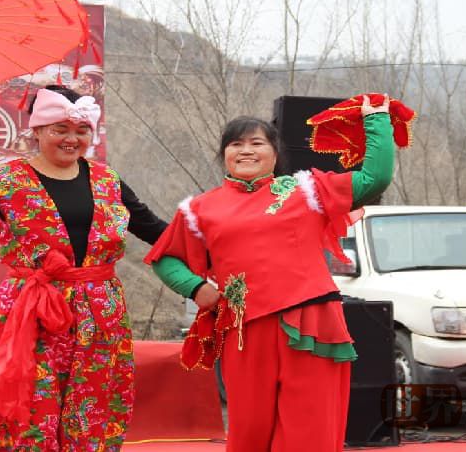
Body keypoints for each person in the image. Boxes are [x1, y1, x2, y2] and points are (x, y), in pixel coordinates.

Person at [145, 95, 396, 451]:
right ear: (224, 154)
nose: (246, 151)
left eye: (257, 143)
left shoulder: (307, 189)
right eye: (236, 144)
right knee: (250, 429)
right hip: (245, 329)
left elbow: (375, 178)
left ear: (275, 154)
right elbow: (165, 258)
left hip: (311, 322)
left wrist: (377, 121)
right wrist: (197, 287)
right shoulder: (200, 209)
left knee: (310, 428)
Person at [0, 85, 167, 451]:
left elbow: (155, 230)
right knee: (33, 406)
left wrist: (213, 241)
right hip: (33, 311)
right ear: (37, 129)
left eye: (81, 131)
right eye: (60, 129)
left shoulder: (107, 180)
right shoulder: (8, 179)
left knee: (94, 408)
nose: (71, 139)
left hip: (99, 314)